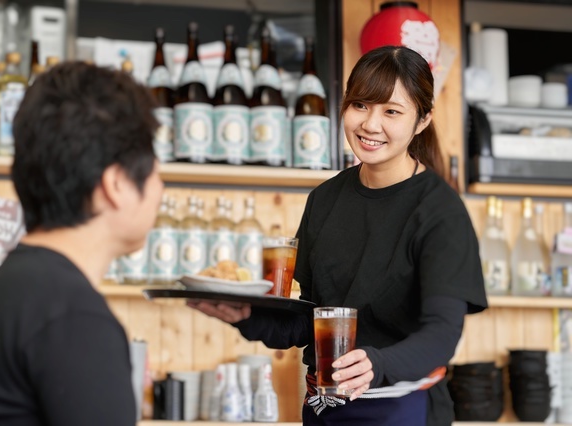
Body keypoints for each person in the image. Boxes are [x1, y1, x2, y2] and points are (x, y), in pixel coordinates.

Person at [189, 45, 487, 426]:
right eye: (360, 105)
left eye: (391, 111)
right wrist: (245, 314)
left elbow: (442, 334)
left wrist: (376, 364)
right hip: (322, 409)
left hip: (401, 410)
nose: (370, 124)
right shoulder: (325, 199)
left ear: (422, 120)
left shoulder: (439, 210)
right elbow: (308, 321)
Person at [0, 62, 163, 425]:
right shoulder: (74, 318)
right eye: (155, 171)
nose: (160, 190)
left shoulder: (8, 288)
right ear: (116, 185)